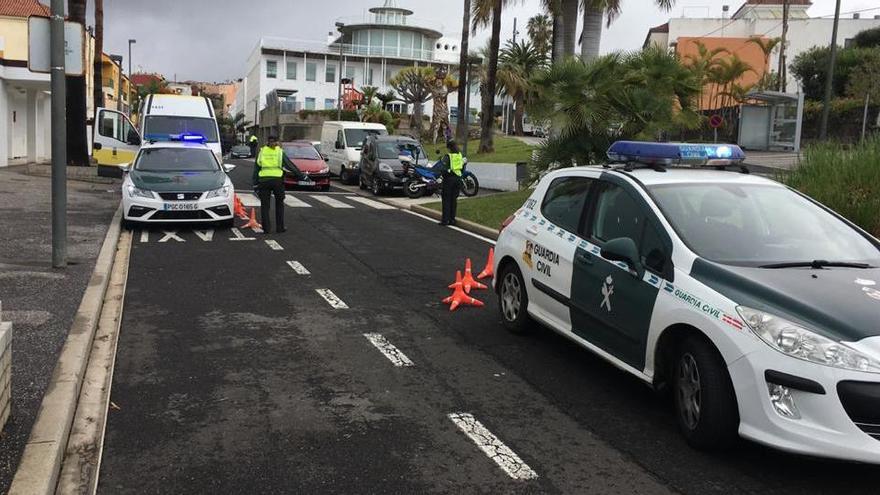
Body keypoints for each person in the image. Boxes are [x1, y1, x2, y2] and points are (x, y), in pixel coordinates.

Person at [252, 136, 286, 233]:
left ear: (267, 142)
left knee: (265, 206)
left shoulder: (262, 151)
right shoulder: (280, 152)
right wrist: (302, 176)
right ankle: (280, 228)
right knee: (279, 204)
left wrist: (255, 183)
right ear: (277, 142)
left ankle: (266, 229)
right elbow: (289, 165)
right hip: (277, 181)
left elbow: (256, 168)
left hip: (264, 181)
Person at [439, 140, 463, 226]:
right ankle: (452, 219)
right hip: (458, 178)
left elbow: (442, 168)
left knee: (446, 200)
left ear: (449, 148)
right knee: (453, 200)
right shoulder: (460, 155)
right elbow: (462, 167)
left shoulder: (448, 156)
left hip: (449, 179)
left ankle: (445, 220)